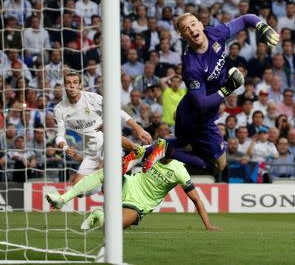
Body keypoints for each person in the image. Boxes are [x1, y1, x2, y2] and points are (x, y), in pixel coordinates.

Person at [132, 12, 279, 175]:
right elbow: (202, 105)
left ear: (201, 25)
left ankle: (142, 153)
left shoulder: (215, 33)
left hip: (192, 111)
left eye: (193, 24)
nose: (192, 29)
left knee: (184, 146)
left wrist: (263, 27)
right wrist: (227, 89)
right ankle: (165, 149)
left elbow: (246, 19)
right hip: (197, 116)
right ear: (183, 36)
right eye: (186, 28)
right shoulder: (191, 66)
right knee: (218, 166)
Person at [46, 156, 220, 232]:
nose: (161, 151)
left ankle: (99, 215)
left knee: (112, 228)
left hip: (138, 204)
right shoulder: (152, 152)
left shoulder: (179, 171)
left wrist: (208, 225)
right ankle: (62, 199)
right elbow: (131, 149)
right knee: (107, 171)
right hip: (127, 185)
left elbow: (196, 199)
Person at [54, 71, 152, 184]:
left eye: (75, 82)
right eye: (68, 83)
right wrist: (65, 147)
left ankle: (150, 154)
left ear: (80, 85)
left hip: (107, 136)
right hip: (92, 148)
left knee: (125, 146)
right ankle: (103, 184)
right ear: (64, 85)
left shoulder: (92, 98)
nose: (72, 86)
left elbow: (118, 112)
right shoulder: (59, 109)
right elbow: (59, 137)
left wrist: (139, 129)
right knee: (78, 186)